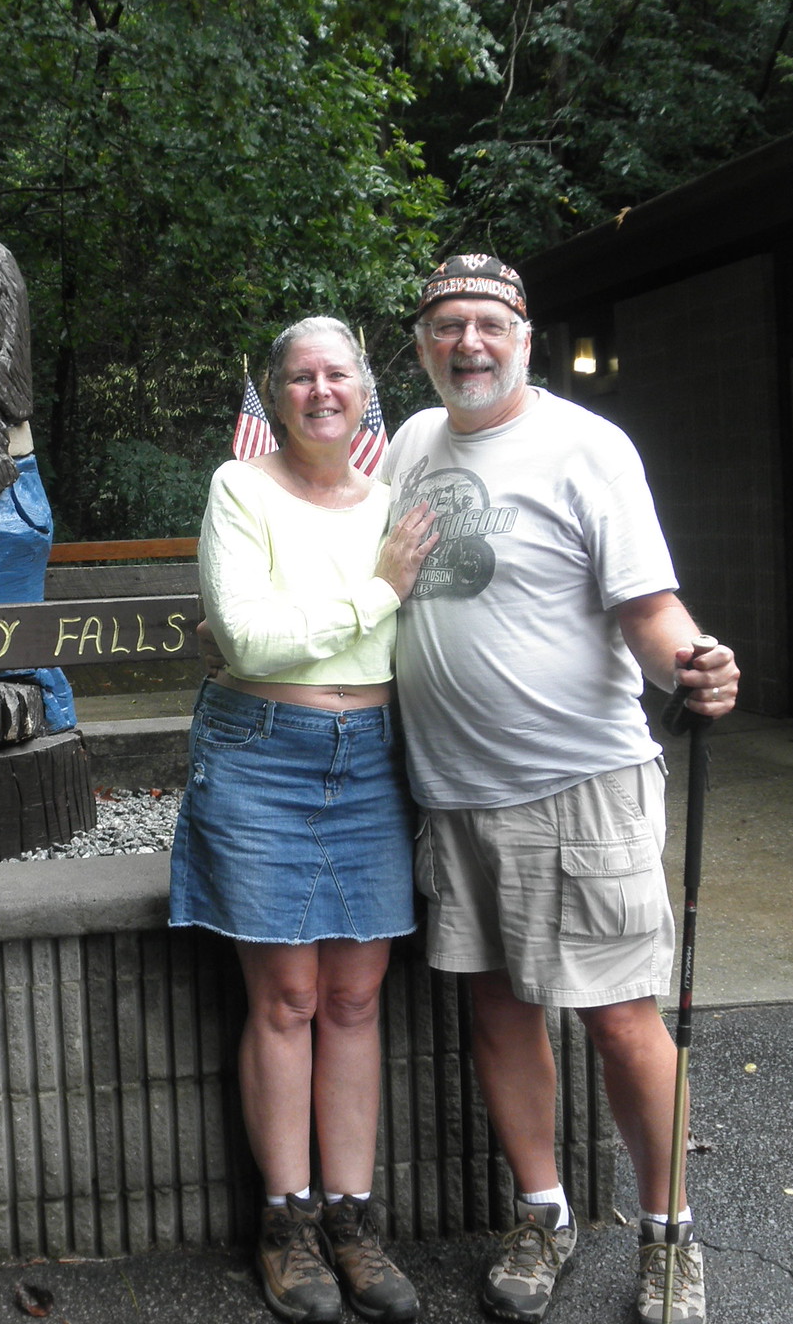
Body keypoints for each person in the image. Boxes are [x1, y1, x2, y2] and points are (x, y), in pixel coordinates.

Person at [381, 255, 741, 1324]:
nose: (467, 343)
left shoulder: (587, 446)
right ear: (421, 345)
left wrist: (693, 662)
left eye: (488, 322)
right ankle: (540, 1214)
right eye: (445, 325)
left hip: (577, 780)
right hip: (452, 791)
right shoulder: (408, 442)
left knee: (621, 1019)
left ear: (525, 336)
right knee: (498, 1008)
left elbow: (648, 605)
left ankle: (669, 1234)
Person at [170, 316, 440, 1324]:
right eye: (299, 377)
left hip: (373, 759)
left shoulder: (397, 504)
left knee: (356, 996)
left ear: (367, 393)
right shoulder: (239, 489)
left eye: (338, 375)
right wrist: (376, 592)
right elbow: (247, 637)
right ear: (273, 395)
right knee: (284, 993)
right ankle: (284, 1226)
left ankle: (354, 1220)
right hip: (259, 755)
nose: (320, 391)